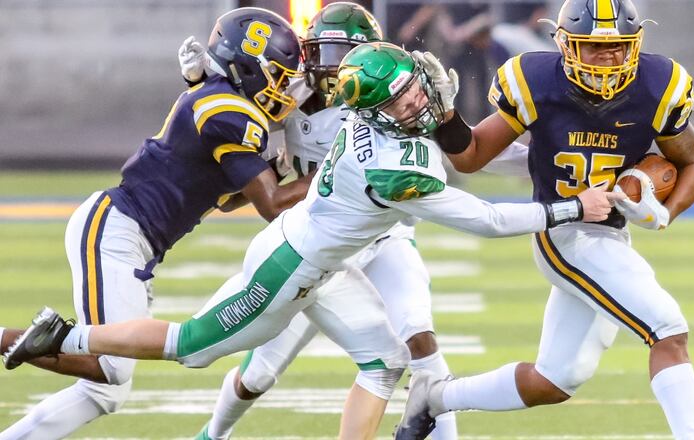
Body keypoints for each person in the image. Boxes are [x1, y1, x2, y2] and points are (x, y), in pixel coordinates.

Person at [3, 42, 622, 439]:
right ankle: (67, 337)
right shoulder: (393, 169)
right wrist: (570, 208)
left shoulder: (360, 117)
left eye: (415, 86)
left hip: (322, 261)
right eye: (404, 97)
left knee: (386, 362)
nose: (418, 98)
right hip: (289, 268)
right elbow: (485, 220)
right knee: (189, 346)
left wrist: (202, 73)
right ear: (378, 112)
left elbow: (300, 85)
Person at [395, 0, 694, 438]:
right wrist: (447, 118)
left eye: (618, 47)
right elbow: (470, 157)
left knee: (556, 379)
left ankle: (436, 396)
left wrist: (662, 213)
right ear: (565, 45)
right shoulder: (537, 82)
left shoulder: (658, 86)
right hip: (564, 232)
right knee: (668, 330)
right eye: (593, 47)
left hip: (610, 234)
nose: (608, 59)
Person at [0, 8, 311, 440]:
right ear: (246, 68)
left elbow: (226, 201)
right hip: (117, 230)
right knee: (110, 368)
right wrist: (332, 171)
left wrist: (273, 173)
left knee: (105, 390)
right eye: (277, 76)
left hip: (129, 234)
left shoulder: (220, 100)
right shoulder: (228, 113)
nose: (284, 88)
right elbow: (273, 205)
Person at [178, 3, 472, 439]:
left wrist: (444, 114)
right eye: (325, 53)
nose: (334, 68)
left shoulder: (389, 96)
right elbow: (230, 115)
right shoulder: (289, 92)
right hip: (314, 244)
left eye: (346, 55)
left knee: (420, 341)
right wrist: (204, 82)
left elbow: (450, 143)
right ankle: (212, 434)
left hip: (383, 239)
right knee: (257, 374)